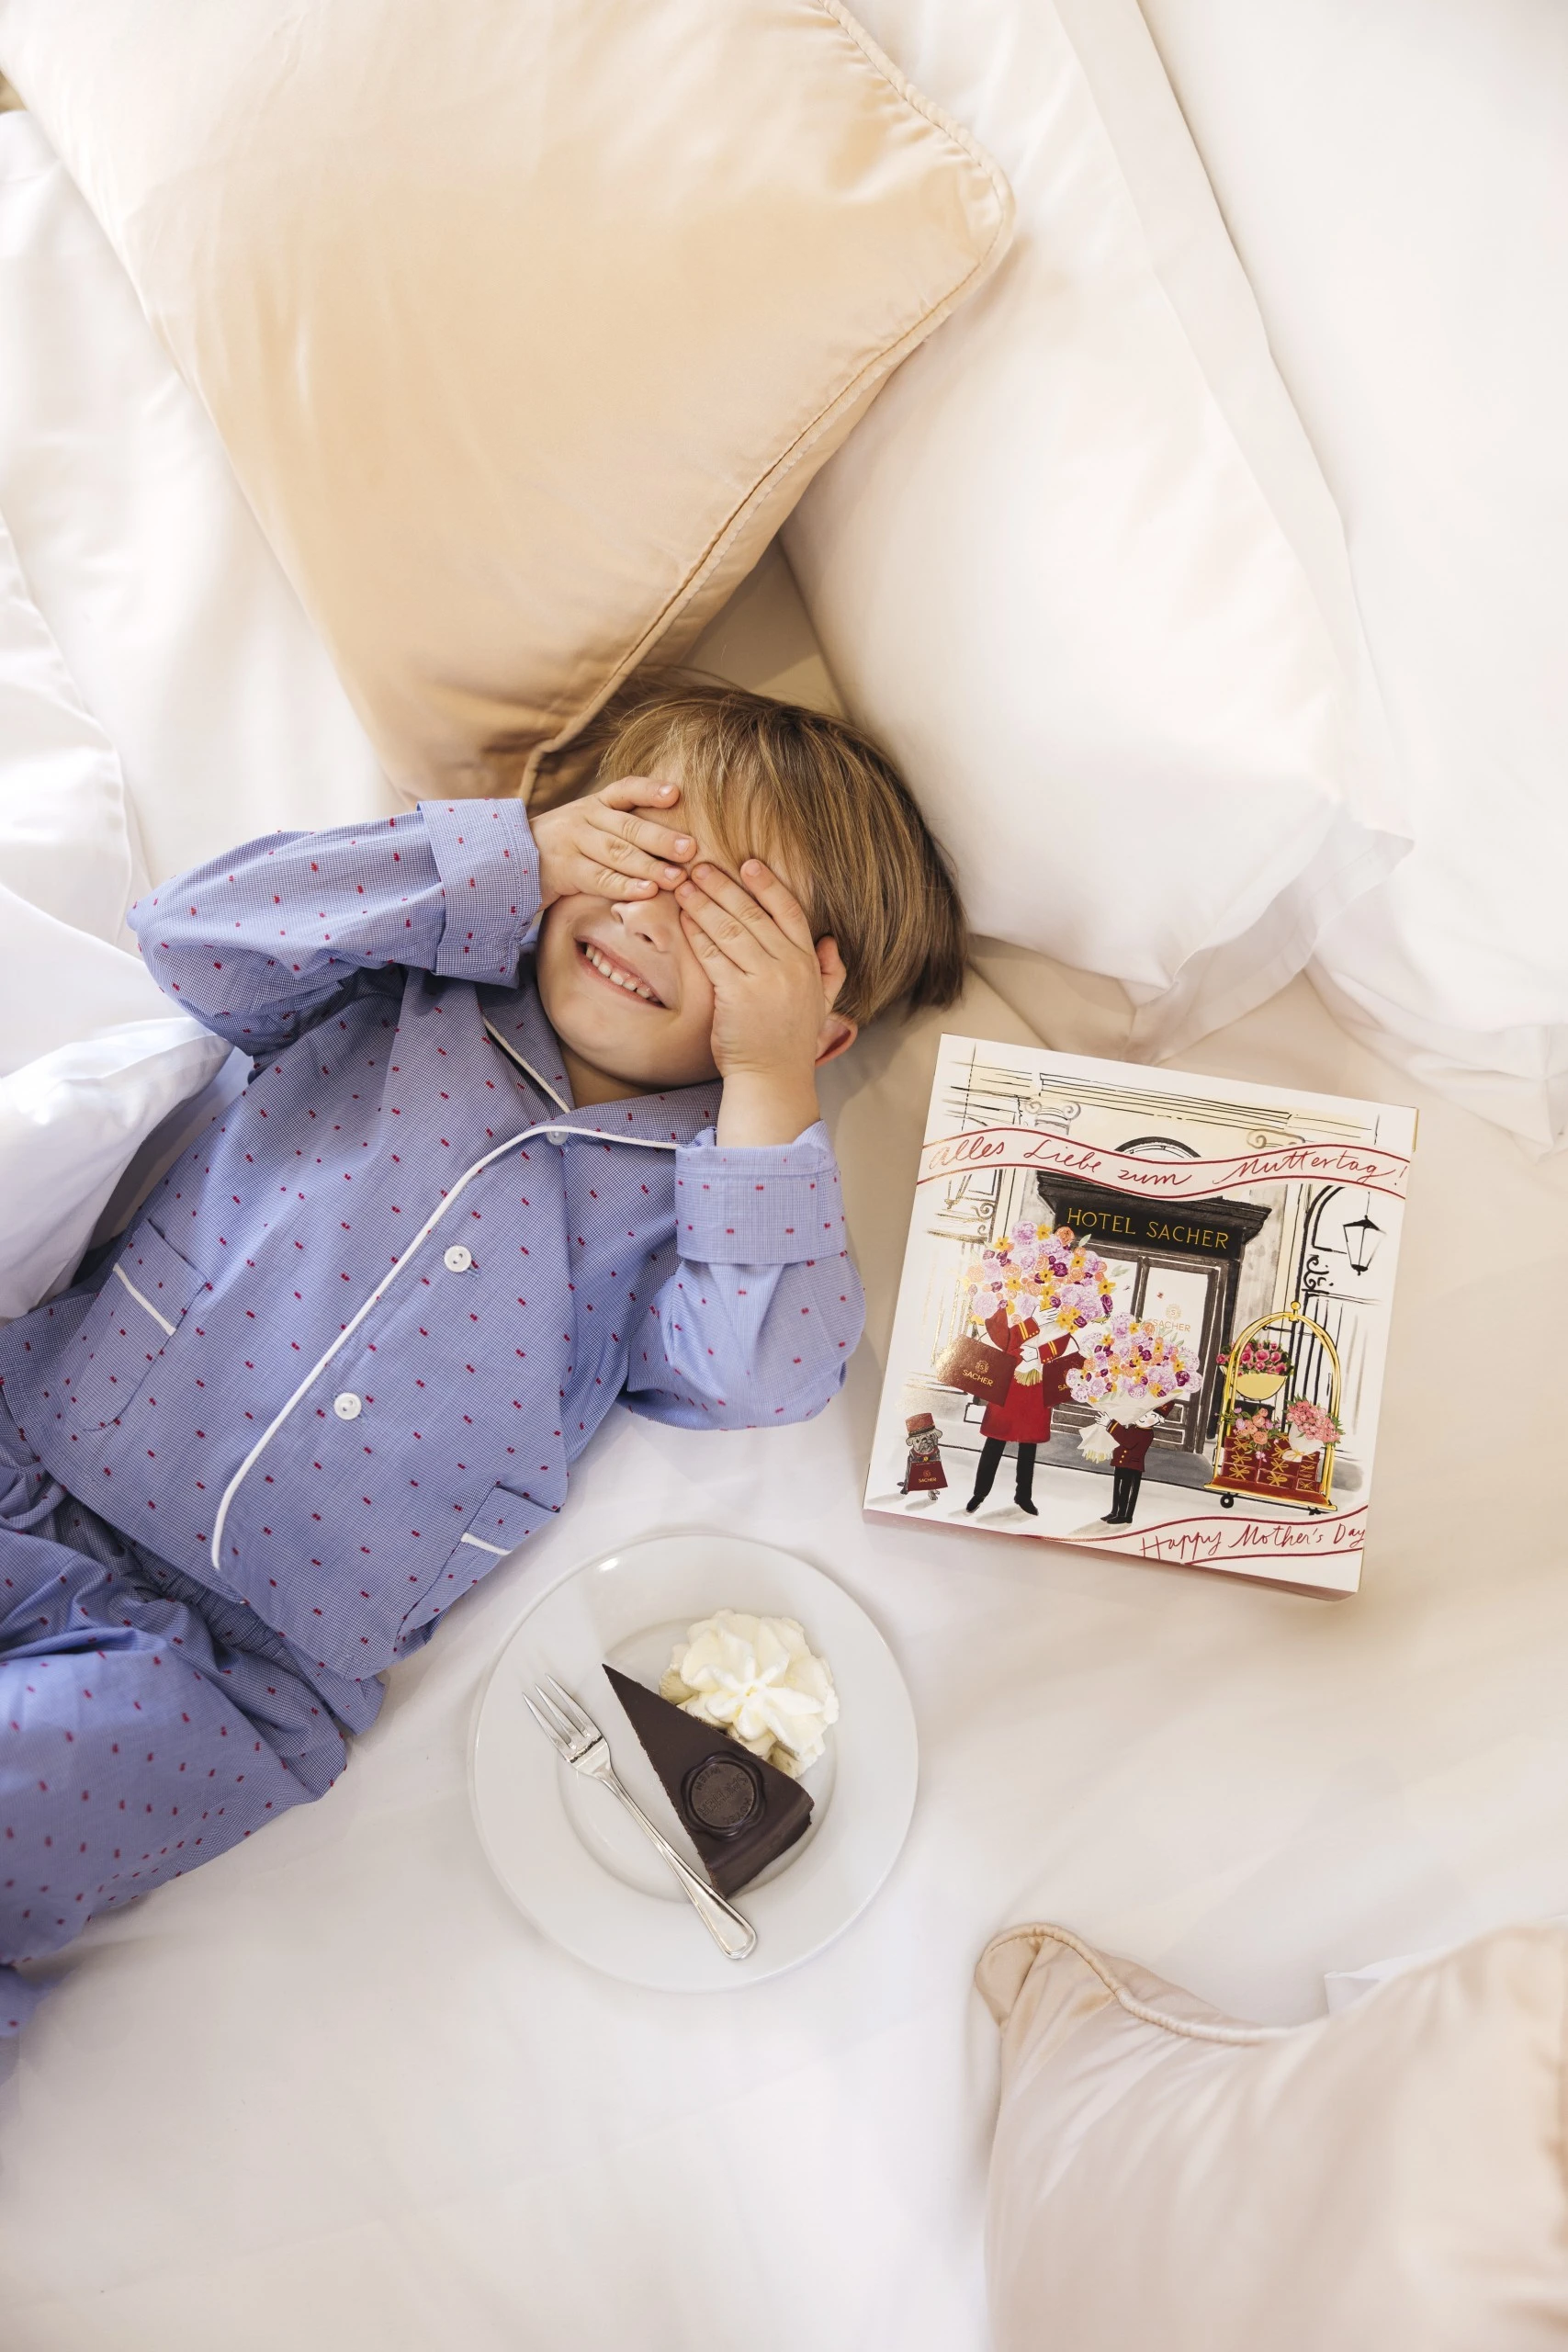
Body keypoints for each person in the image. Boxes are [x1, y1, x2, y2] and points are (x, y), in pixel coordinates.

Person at [0, 676, 965, 2030]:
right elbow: (193, 936)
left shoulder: (699, 1202)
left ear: (813, 1023)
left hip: (227, 1675)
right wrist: (505, 856)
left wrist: (768, 1087)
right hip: (35, 1452)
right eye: (640, 857)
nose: (644, 918)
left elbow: (771, 1368)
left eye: (722, 926)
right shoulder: (408, 977)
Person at [964, 1308, 1081, 1518]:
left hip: (1036, 1388)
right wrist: (1032, 1322)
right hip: (1010, 1384)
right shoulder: (1014, 1302)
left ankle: (1023, 1496)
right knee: (994, 1442)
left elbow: (1066, 1346)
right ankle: (979, 1494)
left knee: (1028, 1446)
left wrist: (1039, 1354)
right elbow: (1003, 1339)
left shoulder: (1061, 1314)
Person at [1100, 1403, 1180, 1526]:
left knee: (1127, 1491)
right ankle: (1115, 1511)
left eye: (1151, 1415)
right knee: (1118, 1489)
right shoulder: (1135, 1428)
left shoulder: (1146, 1433)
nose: (1144, 1417)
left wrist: (1110, 1425)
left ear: (1159, 1421)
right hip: (1122, 1463)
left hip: (1132, 1466)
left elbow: (1127, 1441)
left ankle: (1124, 1516)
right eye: (1143, 1413)